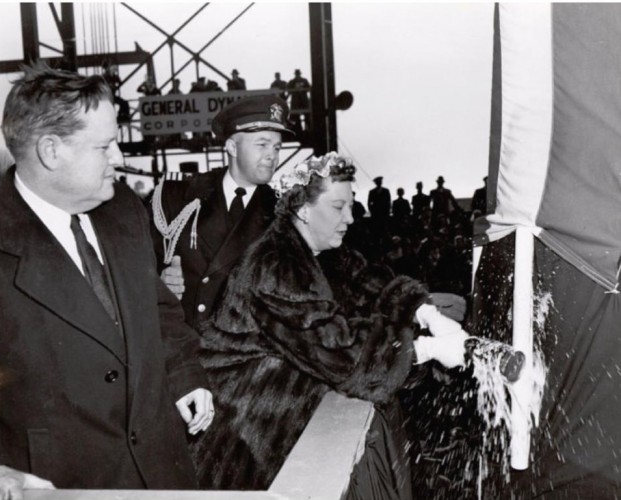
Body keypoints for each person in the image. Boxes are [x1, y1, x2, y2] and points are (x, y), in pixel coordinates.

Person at [190, 152, 472, 495]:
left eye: (351, 206)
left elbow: (370, 283)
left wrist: (425, 312)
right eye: (339, 207)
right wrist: (425, 348)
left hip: (283, 421)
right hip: (245, 438)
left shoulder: (322, 251)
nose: (351, 218)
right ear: (304, 210)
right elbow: (340, 355)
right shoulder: (275, 265)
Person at [0, 63, 213, 497]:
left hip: (160, 471)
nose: (119, 159)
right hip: (61, 484)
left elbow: (157, 310)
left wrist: (185, 375)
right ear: (51, 151)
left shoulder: (124, 211)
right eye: (105, 146)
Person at [150, 95, 293, 328]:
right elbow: (138, 264)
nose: (272, 155)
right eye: (262, 144)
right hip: (186, 347)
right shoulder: (178, 197)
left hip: (246, 350)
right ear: (232, 147)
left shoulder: (282, 212)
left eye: (276, 147)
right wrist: (159, 280)